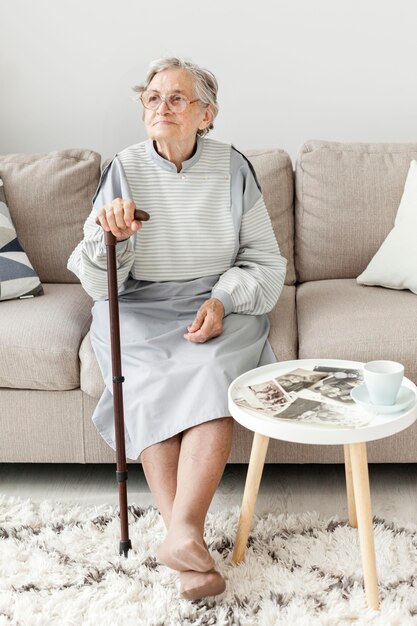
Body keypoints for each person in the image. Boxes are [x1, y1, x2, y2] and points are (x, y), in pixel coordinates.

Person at [68, 57, 287, 600]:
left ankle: (181, 538)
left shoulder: (234, 168)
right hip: (140, 304)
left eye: (176, 98)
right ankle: (185, 539)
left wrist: (221, 299)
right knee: (142, 379)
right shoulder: (123, 168)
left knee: (214, 373)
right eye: (152, 98)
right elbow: (99, 281)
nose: (160, 107)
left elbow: (266, 264)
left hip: (215, 300)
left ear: (205, 115)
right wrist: (110, 235)